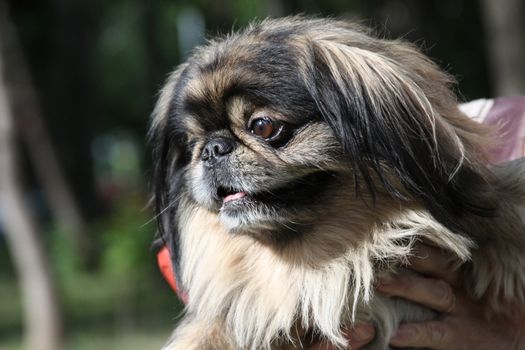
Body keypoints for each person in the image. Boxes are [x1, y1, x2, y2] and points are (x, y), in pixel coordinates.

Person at [158, 97, 525, 349]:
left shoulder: (510, 135)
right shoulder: (218, 294)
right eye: (194, 141)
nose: (213, 153)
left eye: (264, 127)